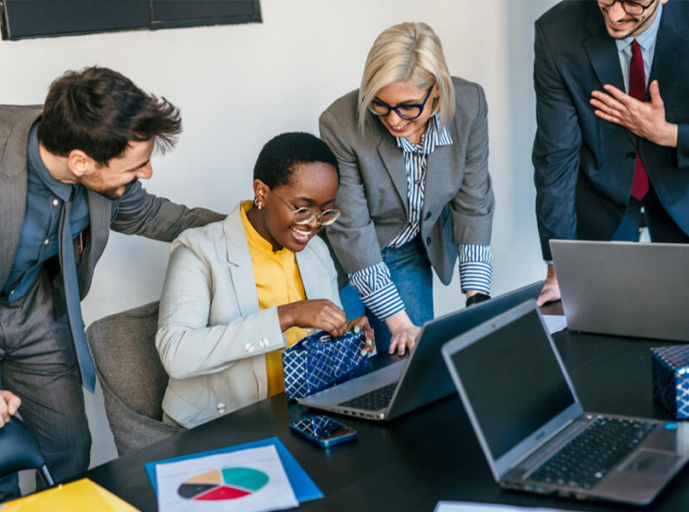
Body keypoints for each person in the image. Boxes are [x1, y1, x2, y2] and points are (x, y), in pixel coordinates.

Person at [0, 66, 222, 509]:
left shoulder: (100, 160)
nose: (148, 172)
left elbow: (153, 215)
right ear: (80, 162)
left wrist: (252, 225)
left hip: (36, 311)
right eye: (137, 165)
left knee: (69, 452)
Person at [156, 132, 373, 429]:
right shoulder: (199, 250)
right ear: (261, 192)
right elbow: (177, 354)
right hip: (220, 425)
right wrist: (287, 315)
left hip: (299, 413)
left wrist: (346, 336)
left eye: (324, 211)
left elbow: (316, 342)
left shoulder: (316, 252)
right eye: (302, 208)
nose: (313, 224)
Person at [319, 22, 494, 356]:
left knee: (411, 361)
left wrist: (477, 297)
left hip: (408, 252)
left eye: (409, 107)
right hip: (344, 259)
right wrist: (396, 321)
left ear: (438, 90)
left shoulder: (469, 106)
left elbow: (473, 202)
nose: (395, 120)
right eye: (380, 105)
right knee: (352, 365)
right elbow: (351, 228)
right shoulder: (340, 123)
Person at [533, 0, 689, 306]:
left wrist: (668, 134)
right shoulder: (556, 33)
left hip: (684, 192)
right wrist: (557, 268)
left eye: (632, 3)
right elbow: (555, 159)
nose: (615, 15)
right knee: (603, 323)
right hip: (602, 198)